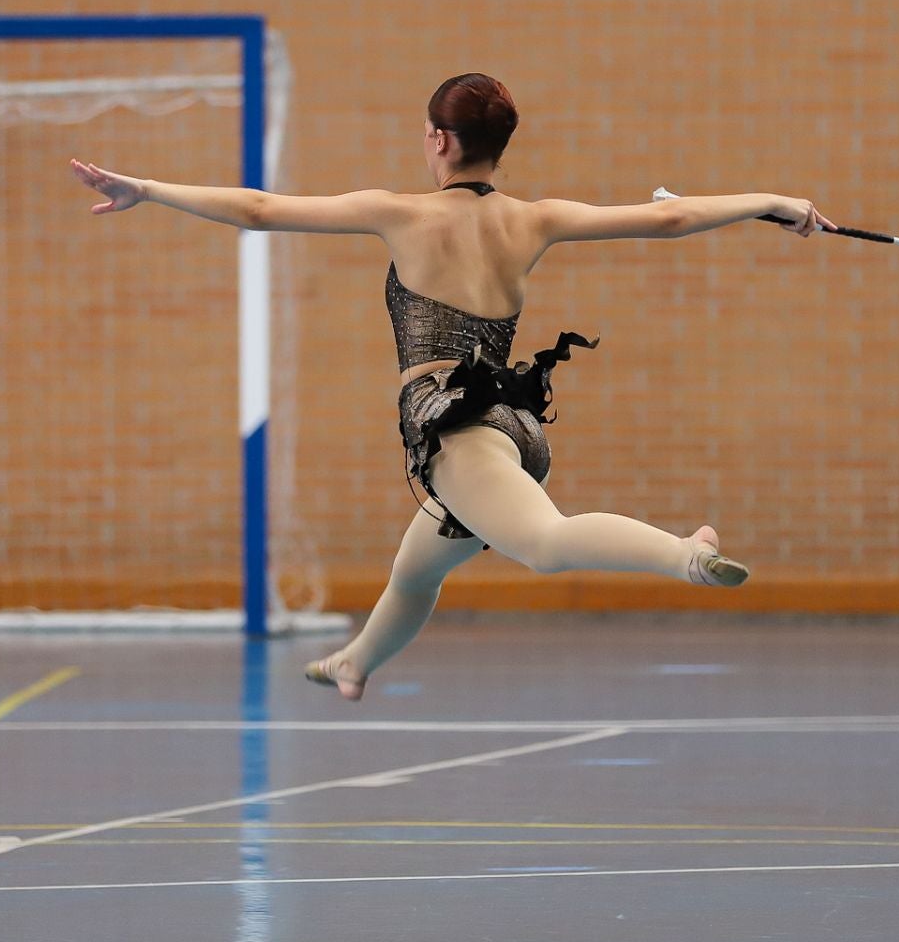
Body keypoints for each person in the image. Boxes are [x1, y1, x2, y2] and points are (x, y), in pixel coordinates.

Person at [71, 73, 832, 699]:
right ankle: (354, 663)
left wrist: (146, 186)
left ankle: (684, 554)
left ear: (438, 139)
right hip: (510, 426)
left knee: (543, 544)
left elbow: (259, 210)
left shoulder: (399, 214)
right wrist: (770, 201)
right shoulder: (536, 220)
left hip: (455, 426)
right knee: (415, 574)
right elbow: (672, 219)